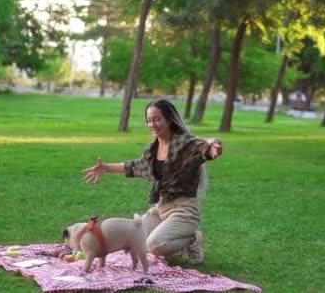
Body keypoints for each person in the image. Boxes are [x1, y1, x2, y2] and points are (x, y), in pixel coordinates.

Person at [82, 99, 223, 264]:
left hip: (184, 211)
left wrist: (214, 149)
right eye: (149, 120)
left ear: (169, 119)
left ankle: (192, 239)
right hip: (161, 208)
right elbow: (135, 166)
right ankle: (172, 245)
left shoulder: (184, 143)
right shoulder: (152, 149)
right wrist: (106, 167)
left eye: (156, 119)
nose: (152, 124)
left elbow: (205, 148)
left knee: (154, 246)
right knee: (133, 234)